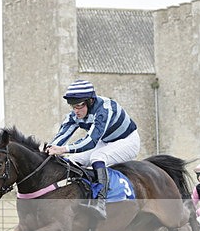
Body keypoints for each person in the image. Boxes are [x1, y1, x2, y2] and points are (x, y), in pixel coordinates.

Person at [46, 80, 140, 219]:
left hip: (127, 141)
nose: (75, 111)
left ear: (90, 101)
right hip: (106, 140)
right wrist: (48, 149)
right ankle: (80, 196)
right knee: (73, 160)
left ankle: (100, 202)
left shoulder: (104, 110)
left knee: (98, 157)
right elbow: (61, 136)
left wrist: (63, 149)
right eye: (73, 106)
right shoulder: (74, 115)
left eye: (79, 106)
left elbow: (90, 142)